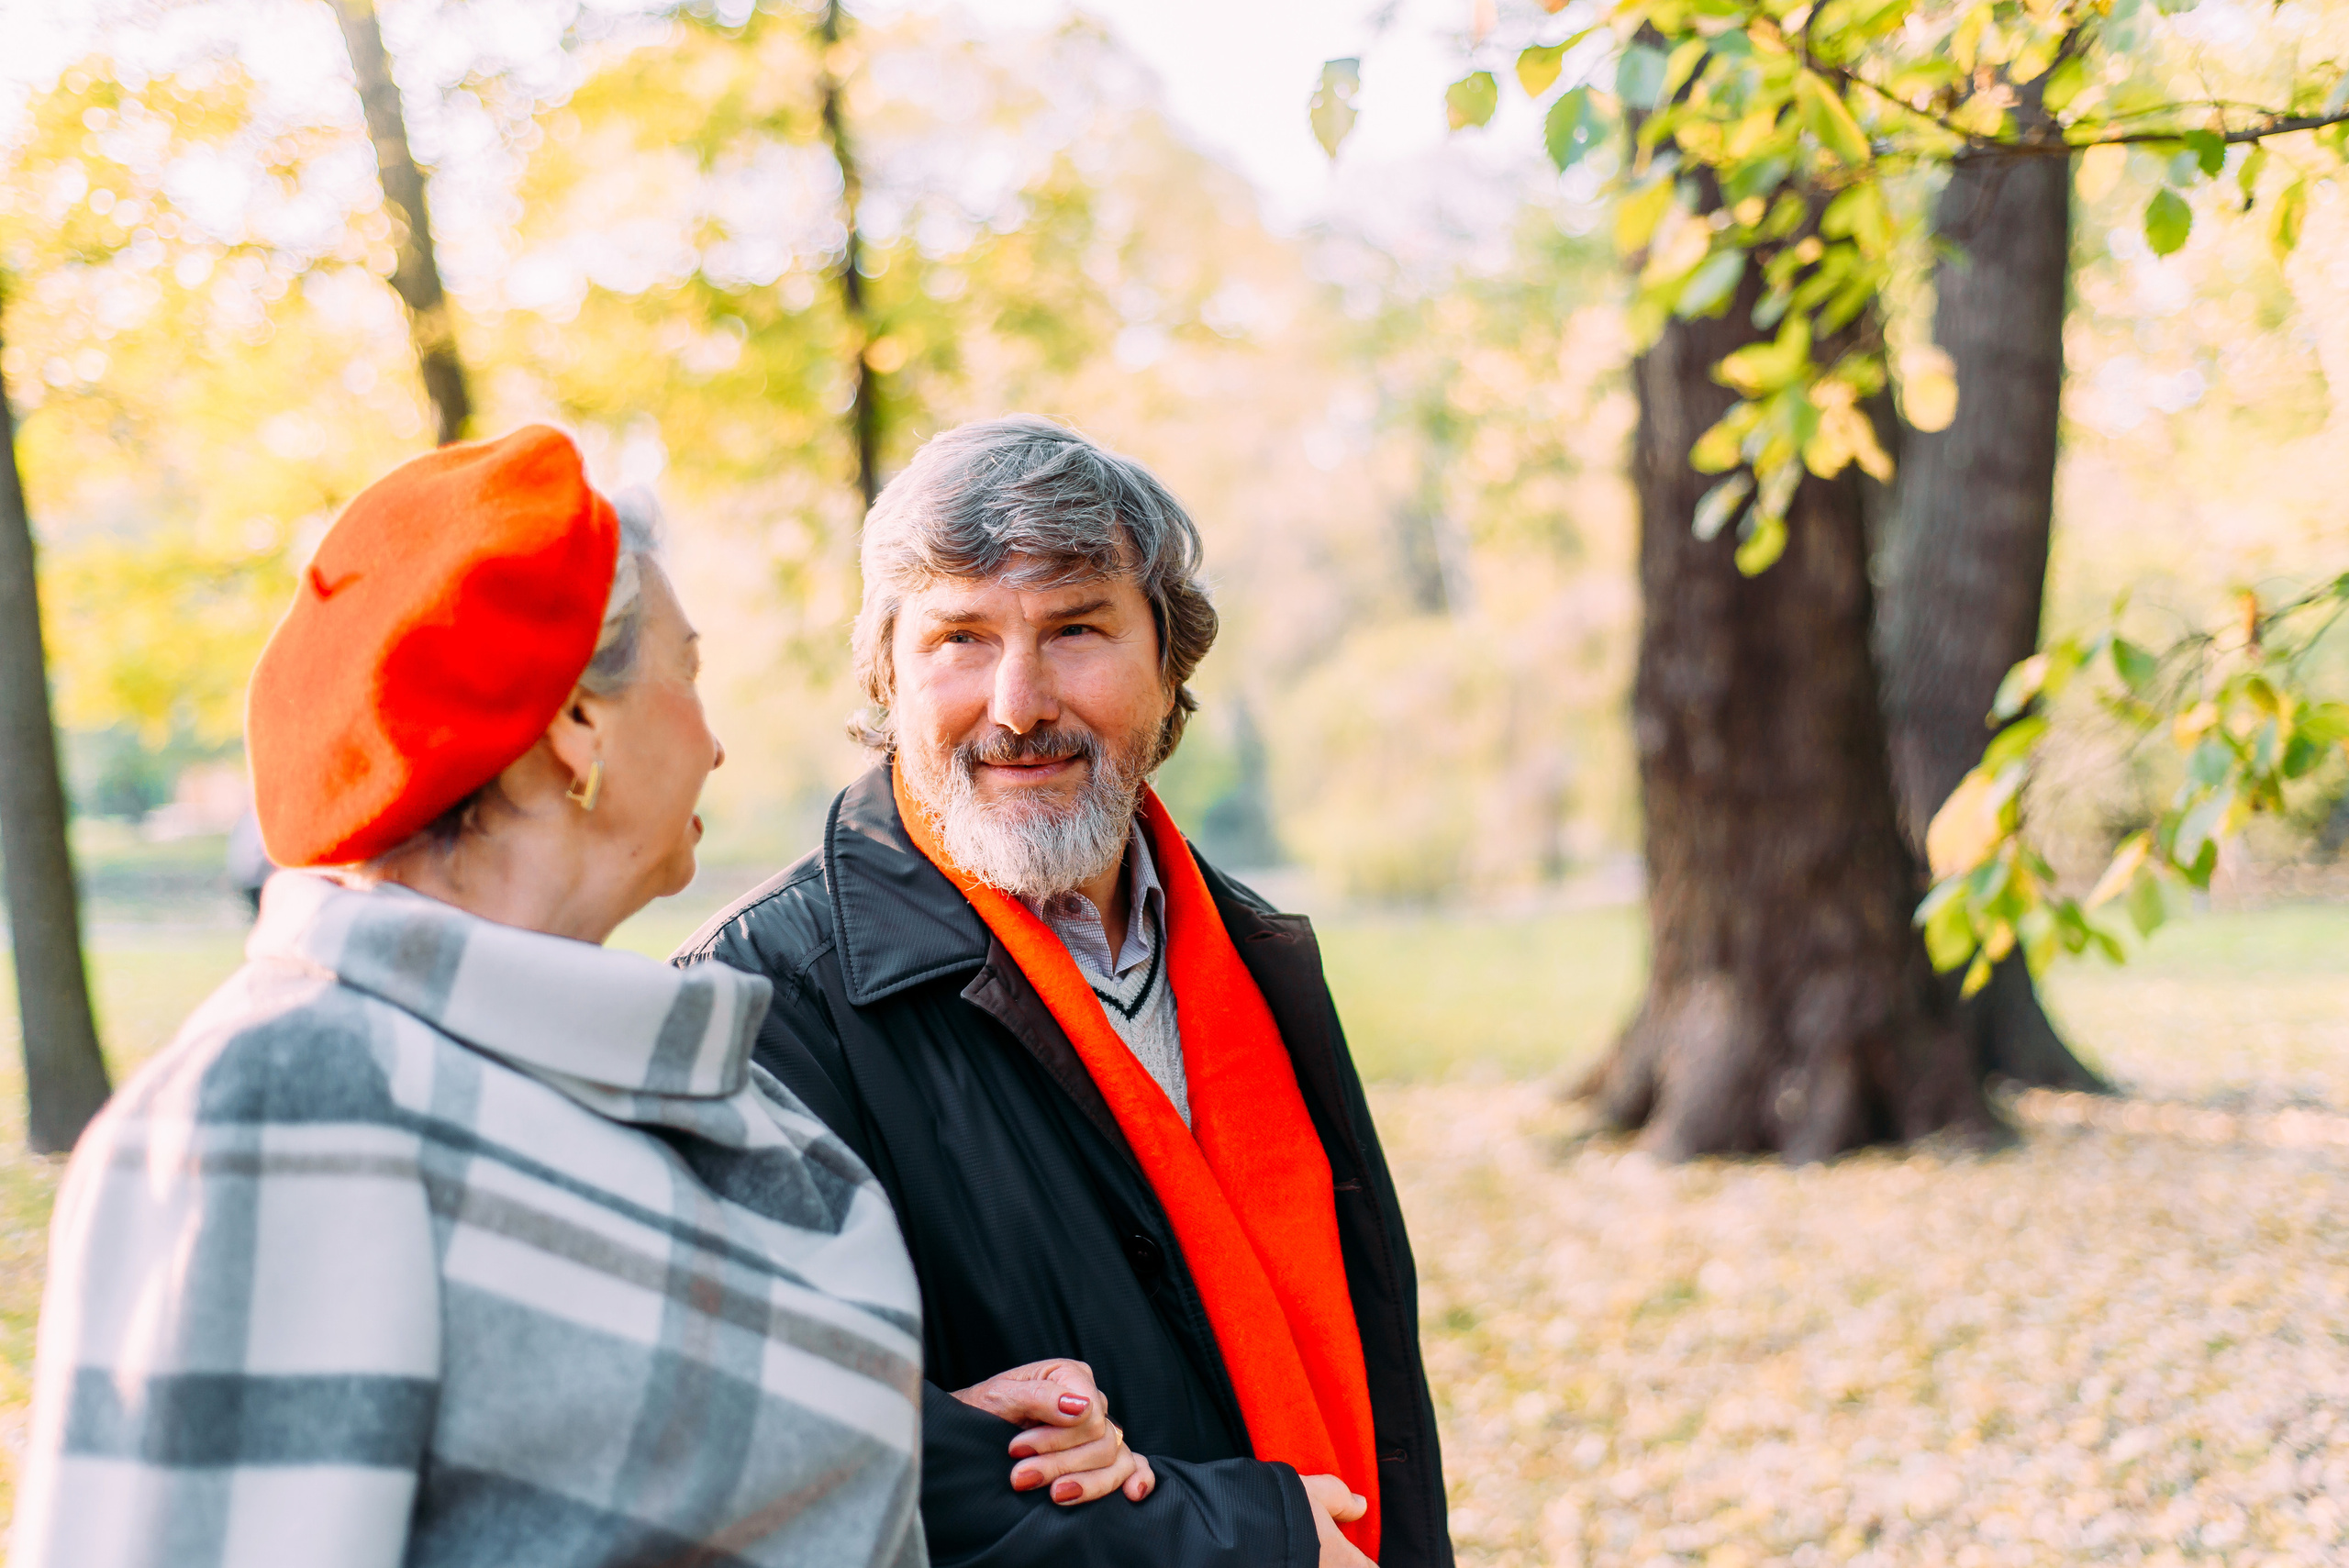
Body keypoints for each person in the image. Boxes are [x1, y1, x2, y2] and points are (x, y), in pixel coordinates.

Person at [15, 427, 1149, 1568]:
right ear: (577, 725)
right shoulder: (293, 1104)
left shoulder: (652, 1078)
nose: (714, 744)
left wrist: (899, 1431)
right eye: (690, 673)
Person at [676, 417, 1453, 1568]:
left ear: (1169, 662)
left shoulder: (1252, 947)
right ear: (888, 671)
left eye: (1075, 629)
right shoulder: (761, 997)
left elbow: (1364, 1366)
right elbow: (772, 1449)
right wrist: (1242, 1535)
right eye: (960, 637)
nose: (1018, 701)